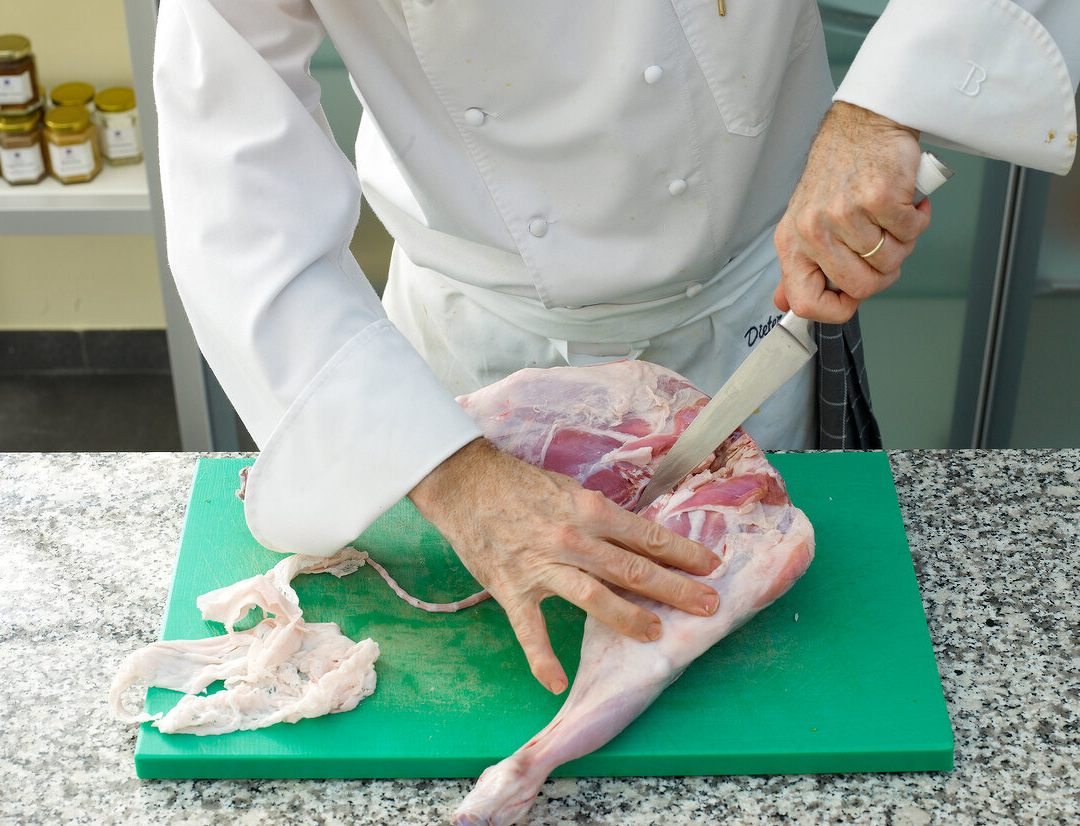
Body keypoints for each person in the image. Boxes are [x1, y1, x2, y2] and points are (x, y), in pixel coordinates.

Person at [153, 0, 1078, 694]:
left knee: (772, 654)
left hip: (760, 293)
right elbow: (235, 186)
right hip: (477, 350)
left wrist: (888, 103)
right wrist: (449, 475)